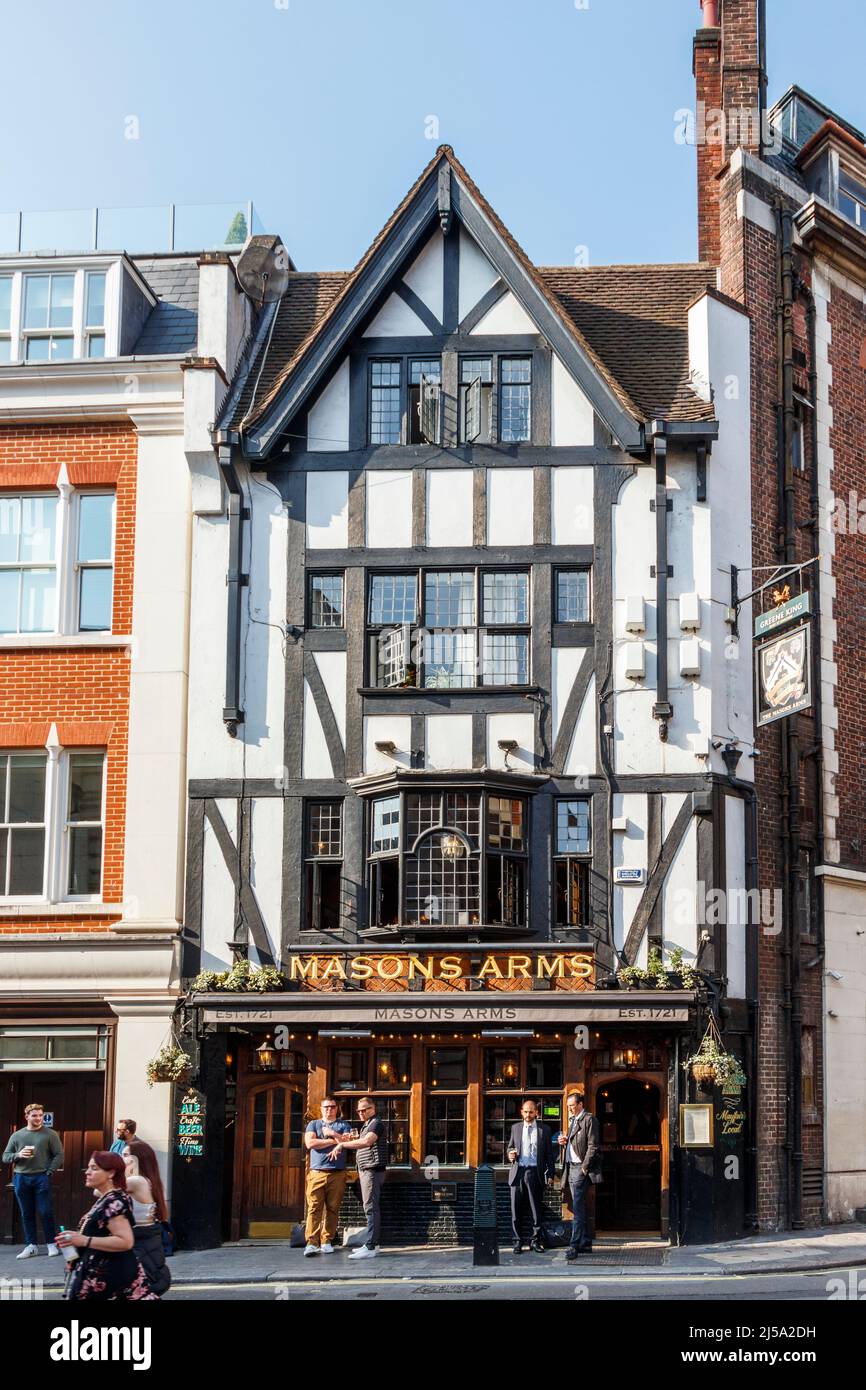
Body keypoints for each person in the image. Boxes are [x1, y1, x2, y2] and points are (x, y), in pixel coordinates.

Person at [56, 1151, 158, 1300]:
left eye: (94, 1168)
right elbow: (100, 1232)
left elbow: (125, 1241)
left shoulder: (113, 1202)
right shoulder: (107, 1198)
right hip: (100, 1272)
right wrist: (76, 1243)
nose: (88, 1172)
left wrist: (83, 1240)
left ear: (111, 1173)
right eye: (89, 1167)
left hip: (110, 1277)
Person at [328, 1096, 388, 1259]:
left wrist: (342, 1144)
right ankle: (373, 1245)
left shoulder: (376, 1123)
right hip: (366, 1170)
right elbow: (363, 1141)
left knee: (370, 1207)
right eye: (359, 1111)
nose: (361, 1113)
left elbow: (368, 1142)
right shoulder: (367, 1125)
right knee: (369, 1206)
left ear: (373, 1109)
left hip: (372, 1170)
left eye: (364, 1110)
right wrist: (351, 1140)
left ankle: (370, 1246)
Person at [2, 1102, 64, 1259]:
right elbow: (5, 1156)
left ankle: (51, 1243)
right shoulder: (17, 1135)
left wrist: (49, 1172)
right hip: (21, 1177)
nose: (38, 1118)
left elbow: (59, 1155)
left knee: (45, 1211)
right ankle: (32, 1246)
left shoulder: (50, 1134)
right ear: (27, 1117)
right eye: (35, 1115)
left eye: (41, 1115)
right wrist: (18, 1155)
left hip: (41, 1177)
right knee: (26, 1212)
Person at [303, 1097, 352, 1256]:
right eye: (326, 1107)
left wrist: (331, 1133)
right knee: (314, 1208)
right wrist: (335, 1140)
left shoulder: (344, 1125)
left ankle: (326, 1241)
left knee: (333, 1209)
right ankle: (311, 1242)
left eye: (332, 1107)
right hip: (317, 1172)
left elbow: (348, 1141)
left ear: (337, 1108)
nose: (329, 1110)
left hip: (337, 1173)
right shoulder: (314, 1124)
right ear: (321, 1108)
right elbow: (310, 1144)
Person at [506, 1098, 556, 1254]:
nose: (528, 1114)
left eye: (531, 1112)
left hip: (535, 1173)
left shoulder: (544, 1130)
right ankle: (517, 1242)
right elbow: (509, 1148)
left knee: (536, 1211)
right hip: (517, 1172)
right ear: (521, 1112)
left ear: (536, 1113)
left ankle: (535, 1241)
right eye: (525, 1112)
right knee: (516, 1211)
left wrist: (551, 1174)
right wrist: (510, 1155)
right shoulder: (515, 1128)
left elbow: (549, 1154)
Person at [123, 1140, 171, 1296]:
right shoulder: (146, 1181)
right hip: (146, 1245)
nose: (120, 1158)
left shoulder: (136, 1181)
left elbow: (101, 1190)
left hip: (140, 1246)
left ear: (136, 1160)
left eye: (125, 1155)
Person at [559, 1091, 601, 1259]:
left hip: (579, 1169)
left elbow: (593, 1145)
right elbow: (575, 1143)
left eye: (572, 1106)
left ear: (580, 1104)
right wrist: (564, 1142)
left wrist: (584, 1167)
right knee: (579, 1206)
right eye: (568, 1106)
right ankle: (584, 1242)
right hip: (570, 1167)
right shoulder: (574, 1120)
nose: (569, 1109)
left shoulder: (589, 1119)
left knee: (577, 1207)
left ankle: (574, 1245)